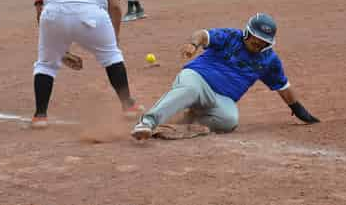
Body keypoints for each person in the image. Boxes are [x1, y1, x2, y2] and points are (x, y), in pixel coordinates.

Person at [131, 13, 320, 140]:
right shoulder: (231, 36)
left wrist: (299, 110)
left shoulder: (269, 60)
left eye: (264, 42)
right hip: (198, 78)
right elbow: (204, 34)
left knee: (229, 120)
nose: (259, 44)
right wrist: (193, 44)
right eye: (256, 39)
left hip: (222, 98)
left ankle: (183, 123)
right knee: (189, 90)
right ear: (247, 33)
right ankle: (146, 122)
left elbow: (283, 87)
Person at [32, 0, 144, 129]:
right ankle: (128, 106)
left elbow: (40, 10)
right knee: (111, 56)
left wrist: (60, 50)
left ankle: (40, 116)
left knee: (46, 65)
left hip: (53, 15)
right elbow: (115, 6)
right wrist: (114, 36)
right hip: (91, 14)